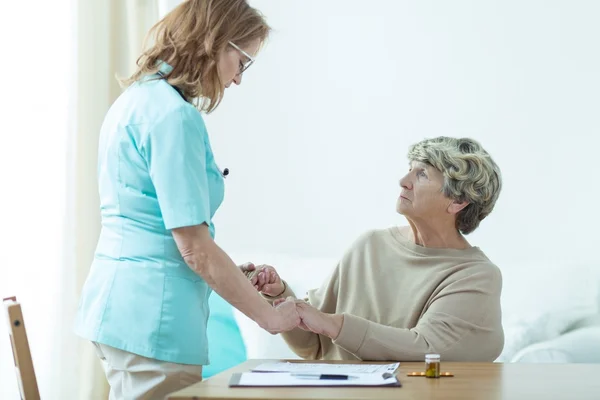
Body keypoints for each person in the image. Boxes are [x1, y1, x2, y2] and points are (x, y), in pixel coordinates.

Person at [73, 1, 299, 398]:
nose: (239, 78)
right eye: (242, 61)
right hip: (154, 320)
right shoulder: (174, 117)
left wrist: (230, 273)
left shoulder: (135, 101)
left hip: (120, 309)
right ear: (213, 43)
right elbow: (194, 249)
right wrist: (269, 316)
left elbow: (158, 226)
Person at [248, 136, 504, 362]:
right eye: (409, 170)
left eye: (422, 174)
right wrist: (279, 294)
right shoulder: (369, 246)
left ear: (458, 201)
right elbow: (315, 346)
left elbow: (427, 348)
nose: (403, 181)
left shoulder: (475, 276)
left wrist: (334, 325)